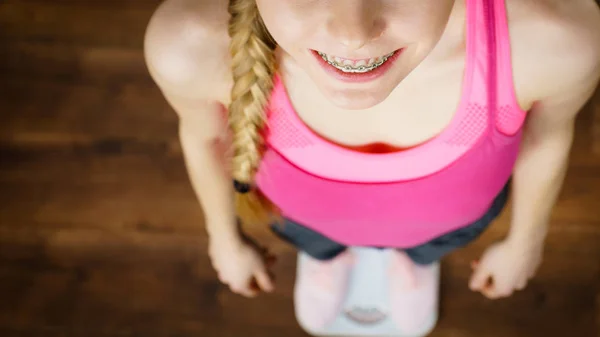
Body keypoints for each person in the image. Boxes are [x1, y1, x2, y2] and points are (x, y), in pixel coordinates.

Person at [144, 0, 600, 332]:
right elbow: (204, 138)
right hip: (302, 223)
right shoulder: (192, 48)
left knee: (427, 248)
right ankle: (327, 257)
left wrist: (526, 241)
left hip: (446, 231)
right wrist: (223, 238)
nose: (353, 34)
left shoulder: (554, 42)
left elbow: (548, 137)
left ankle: (415, 261)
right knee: (319, 243)